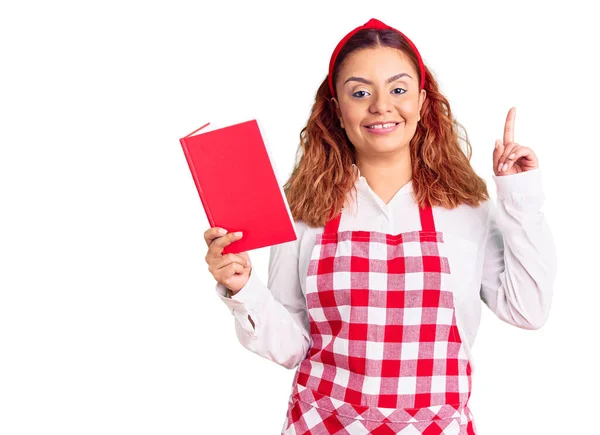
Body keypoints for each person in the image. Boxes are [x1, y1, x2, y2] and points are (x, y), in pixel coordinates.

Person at [203, 17, 556, 435]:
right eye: (360, 92)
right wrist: (243, 288)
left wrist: (519, 197)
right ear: (336, 107)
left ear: (422, 102)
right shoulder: (304, 211)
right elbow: (291, 346)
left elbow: (528, 310)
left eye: (398, 89)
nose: (381, 105)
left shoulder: (466, 209)